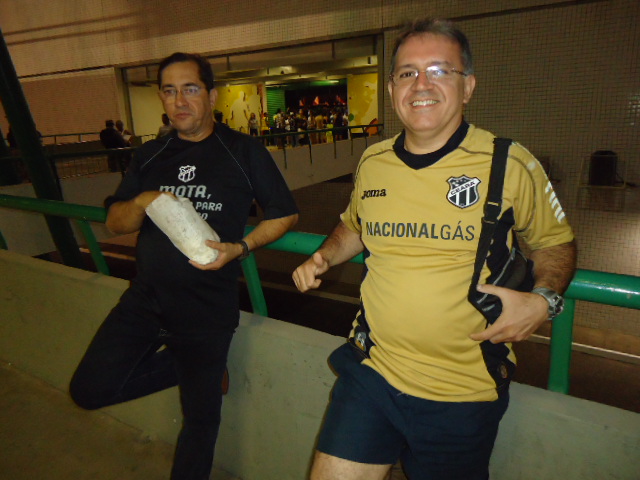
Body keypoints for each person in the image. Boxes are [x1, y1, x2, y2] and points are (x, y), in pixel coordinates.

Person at [292, 18, 576, 480]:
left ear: (468, 87)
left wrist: (543, 302)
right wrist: (323, 256)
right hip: (373, 373)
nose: (420, 84)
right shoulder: (374, 160)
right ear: (392, 89)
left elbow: (555, 242)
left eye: (440, 70)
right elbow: (354, 225)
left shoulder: (509, 163)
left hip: (463, 391)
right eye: (407, 73)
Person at [70, 52, 298, 480]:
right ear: (161, 97)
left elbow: (285, 213)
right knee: (88, 390)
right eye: (170, 91)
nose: (180, 101)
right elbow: (115, 222)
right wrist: (142, 200)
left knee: (200, 424)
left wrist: (241, 247)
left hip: (206, 312)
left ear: (210, 96)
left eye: (190, 89)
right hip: (145, 301)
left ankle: (201, 370)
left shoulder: (242, 151)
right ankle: (190, 367)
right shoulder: (150, 155)